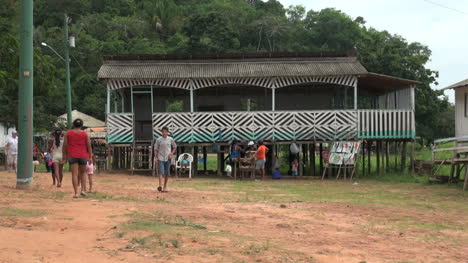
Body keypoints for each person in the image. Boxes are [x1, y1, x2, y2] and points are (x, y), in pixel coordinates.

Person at [62, 119, 93, 198]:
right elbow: (89, 145)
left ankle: (76, 192)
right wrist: (90, 156)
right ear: (81, 125)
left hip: (72, 155)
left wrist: (64, 156)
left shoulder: (68, 133)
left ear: (73, 124)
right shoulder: (85, 133)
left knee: (74, 174)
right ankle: (83, 190)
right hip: (83, 155)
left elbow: (65, 145)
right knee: (83, 173)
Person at [154, 126, 176, 192]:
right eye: (163, 131)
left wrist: (171, 153)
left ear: (167, 132)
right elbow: (156, 149)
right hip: (160, 158)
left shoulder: (170, 139)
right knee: (161, 172)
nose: (164, 133)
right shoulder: (158, 140)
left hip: (168, 158)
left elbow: (174, 146)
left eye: (165, 131)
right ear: (161, 132)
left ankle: (165, 187)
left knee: (167, 173)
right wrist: (156, 157)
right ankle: (160, 185)